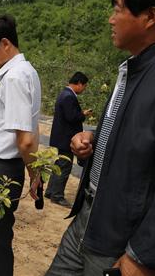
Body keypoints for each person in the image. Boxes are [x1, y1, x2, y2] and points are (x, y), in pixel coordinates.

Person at [46, 0, 155, 276]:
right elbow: (137, 135)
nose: (111, 20)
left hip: (122, 238)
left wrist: (143, 255)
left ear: (150, 16)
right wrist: (95, 140)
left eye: (118, 10)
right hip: (91, 214)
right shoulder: (130, 70)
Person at [0, 15, 41, 276]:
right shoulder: (27, 73)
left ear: (4, 44)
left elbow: (24, 140)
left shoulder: (15, 78)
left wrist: (34, 174)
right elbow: (32, 129)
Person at [45, 71, 92, 208]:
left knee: (60, 165)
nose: (83, 89)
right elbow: (71, 117)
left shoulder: (66, 94)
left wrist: (80, 113)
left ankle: (50, 191)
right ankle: (57, 196)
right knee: (65, 166)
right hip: (66, 138)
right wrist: (82, 115)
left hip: (62, 137)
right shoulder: (69, 97)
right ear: (79, 83)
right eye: (84, 86)